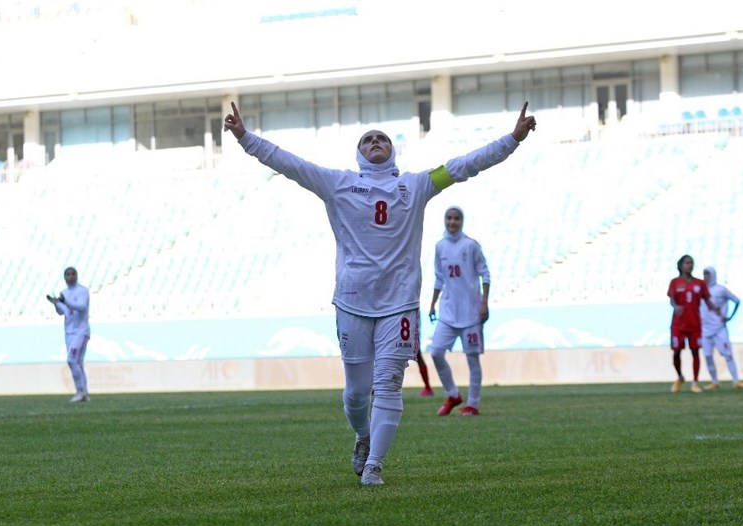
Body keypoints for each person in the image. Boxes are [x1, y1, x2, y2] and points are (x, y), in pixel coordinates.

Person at [224, 100, 536, 485]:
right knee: (356, 394)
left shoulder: (417, 184)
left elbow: (463, 166)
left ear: (393, 150)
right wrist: (244, 138)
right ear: (359, 153)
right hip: (353, 302)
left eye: (382, 138)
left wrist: (512, 140)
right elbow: (289, 164)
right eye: (368, 139)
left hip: (400, 304)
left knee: (388, 382)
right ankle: (362, 435)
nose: (375, 142)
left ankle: (374, 465)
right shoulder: (336, 183)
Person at [428, 207, 490, 417]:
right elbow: (439, 277)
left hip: (471, 313)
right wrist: (433, 302)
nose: (452, 222)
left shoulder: (471, 245)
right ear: (444, 220)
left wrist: (484, 303)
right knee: (436, 352)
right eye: (449, 218)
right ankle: (453, 395)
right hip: (447, 312)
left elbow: (486, 275)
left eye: (456, 218)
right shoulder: (440, 246)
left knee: (472, 358)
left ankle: (473, 404)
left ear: (462, 221)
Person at [667, 255, 717, 394]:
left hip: (694, 324)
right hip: (678, 324)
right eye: (687, 263)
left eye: (691, 263)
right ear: (681, 265)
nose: (690, 265)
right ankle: (680, 377)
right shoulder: (675, 282)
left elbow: (708, 301)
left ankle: (695, 382)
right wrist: (675, 306)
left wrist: (717, 311)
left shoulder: (700, 284)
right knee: (676, 351)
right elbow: (672, 299)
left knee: (695, 352)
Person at [700, 266, 743, 390]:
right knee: (707, 355)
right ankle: (714, 381)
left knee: (727, 354)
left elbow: (737, 301)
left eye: (707, 274)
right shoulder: (700, 290)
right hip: (705, 329)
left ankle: (736, 381)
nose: (705, 277)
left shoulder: (721, 290)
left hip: (719, 328)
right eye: (704, 274)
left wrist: (730, 317)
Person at [46, 267, 91, 402]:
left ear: (76, 276)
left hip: (81, 331)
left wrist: (66, 301)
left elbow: (82, 307)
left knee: (71, 360)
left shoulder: (82, 291)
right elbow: (63, 311)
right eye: (67, 274)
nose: (70, 276)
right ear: (64, 277)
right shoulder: (64, 293)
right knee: (78, 362)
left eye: (73, 274)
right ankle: (85, 393)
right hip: (69, 332)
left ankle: (80, 391)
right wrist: (56, 304)